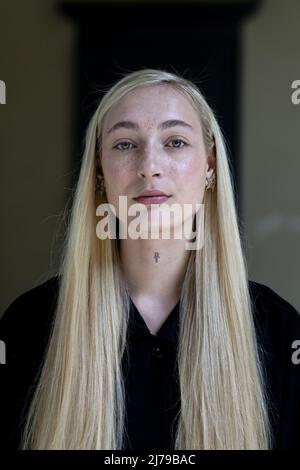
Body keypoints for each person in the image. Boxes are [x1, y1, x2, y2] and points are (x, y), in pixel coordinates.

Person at [1, 68, 300, 450]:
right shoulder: (27, 327)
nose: (149, 166)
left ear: (210, 166)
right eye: (125, 144)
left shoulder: (280, 334)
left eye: (175, 141)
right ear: (98, 171)